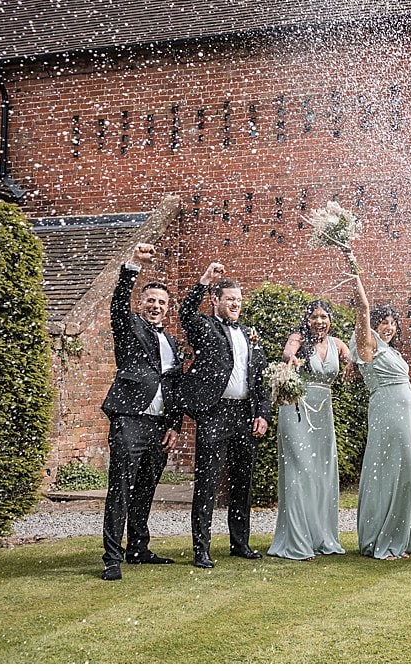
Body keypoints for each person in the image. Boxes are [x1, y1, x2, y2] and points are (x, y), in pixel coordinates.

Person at [99, 242, 184, 581]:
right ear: (142, 302)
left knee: (146, 488)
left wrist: (174, 425)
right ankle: (111, 558)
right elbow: (118, 302)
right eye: (151, 300)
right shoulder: (128, 325)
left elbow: (175, 387)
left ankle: (138, 547)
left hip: (159, 425)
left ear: (167, 309)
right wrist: (132, 266)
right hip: (129, 419)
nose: (156, 306)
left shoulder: (173, 343)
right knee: (120, 487)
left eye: (162, 303)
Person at [180, 262, 269, 569]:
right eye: (230, 299)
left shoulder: (250, 333)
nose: (235, 304)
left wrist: (263, 414)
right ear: (215, 300)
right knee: (206, 482)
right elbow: (186, 314)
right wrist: (203, 281)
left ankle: (240, 542)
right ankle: (201, 548)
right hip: (215, 413)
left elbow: (260, 380)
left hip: (244, 415)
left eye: (239, 300)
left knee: (242, 482)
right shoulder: (205, 326)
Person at [346, 250, 411, 560]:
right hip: (386, 413)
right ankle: (385, 538)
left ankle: (409, 535)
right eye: (383, 322)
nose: (388, 327)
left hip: (406, 415)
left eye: (392, 323)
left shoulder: (393, 353)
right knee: (391, 470)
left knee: (408, 469)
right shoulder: (367, 346)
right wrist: (354, 270)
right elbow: (362, 308)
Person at [267, 300, 351, 561]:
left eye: (324, 316)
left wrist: (355, 367)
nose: (319, 321)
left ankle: (321, 537)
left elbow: (357, 360)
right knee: (299, 471)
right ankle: (296, 541)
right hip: (296, 410)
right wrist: (290, 358)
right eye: (314, 316)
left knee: (322, 473)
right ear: (308, 319)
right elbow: (287, 351)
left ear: (331, 320)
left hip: (323, 415)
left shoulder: (338, 344)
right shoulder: (298, 339)